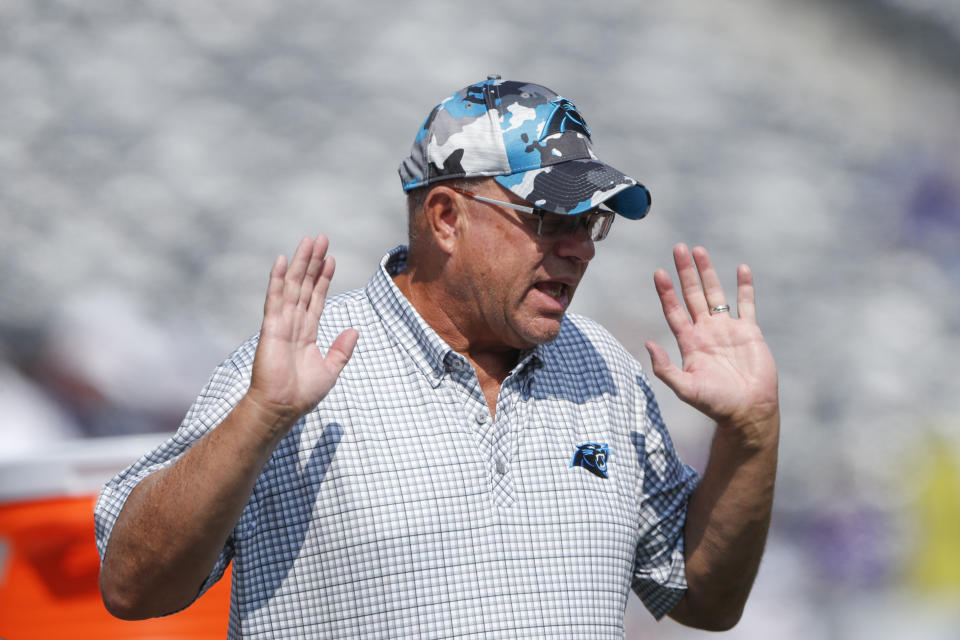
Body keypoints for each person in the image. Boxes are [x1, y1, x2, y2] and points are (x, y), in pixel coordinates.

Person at [95, 77, 779, 638]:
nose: (582, 248)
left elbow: (703, 601)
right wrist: (260, 417)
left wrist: (750, 435)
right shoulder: (301, 366)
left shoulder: (604, 371)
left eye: (590, 222)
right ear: (447, 218)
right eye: (551, 219)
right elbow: (132, 586)